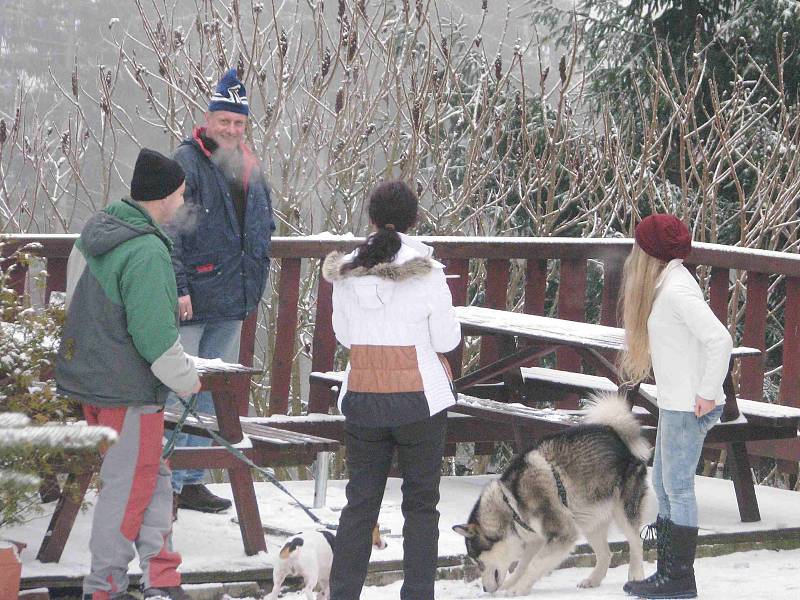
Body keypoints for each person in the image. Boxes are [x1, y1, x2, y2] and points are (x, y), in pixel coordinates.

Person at [56, 148, 201, 600]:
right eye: (180, 193)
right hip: (129, 393)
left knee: (150, 479)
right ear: (161, 197)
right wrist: (187, 379)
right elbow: (155, 340)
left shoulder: (96, 235)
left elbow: (78, 308)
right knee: (126, 493)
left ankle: (162, 577)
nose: (183, 200)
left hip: (96, 384)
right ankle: (105, 588)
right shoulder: (145, 252)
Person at [322, 180, 462, 600]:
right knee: (421, 505)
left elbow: (345, 336)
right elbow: (446, 339)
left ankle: (343, 593)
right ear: (414, 220)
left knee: (360, 504)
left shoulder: (345, 274)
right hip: (420, 401)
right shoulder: (429, 273)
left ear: (370, 218)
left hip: (364, 398)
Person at [167, 68, 275, 514]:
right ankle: (166, 483)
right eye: (224, 121)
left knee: (214, 394)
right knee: (180, 389)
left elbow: (262, 228)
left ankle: (193, 480)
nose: (231, 130)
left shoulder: (248, 164)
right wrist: (177, 286)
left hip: (234, 298)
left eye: (238, 123)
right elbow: (168, 230)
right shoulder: (186, 162)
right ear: (208, 119)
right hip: (192, 298)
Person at [619, 214, 733, 599]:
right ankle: (669, 572)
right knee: (664, 487)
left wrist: (706, 392)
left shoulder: (677, 291)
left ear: (651, 253)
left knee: (678, 488)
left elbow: (720, 340)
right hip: (676, 403)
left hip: (690, 406)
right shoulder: (668, 284)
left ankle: (680, 579)